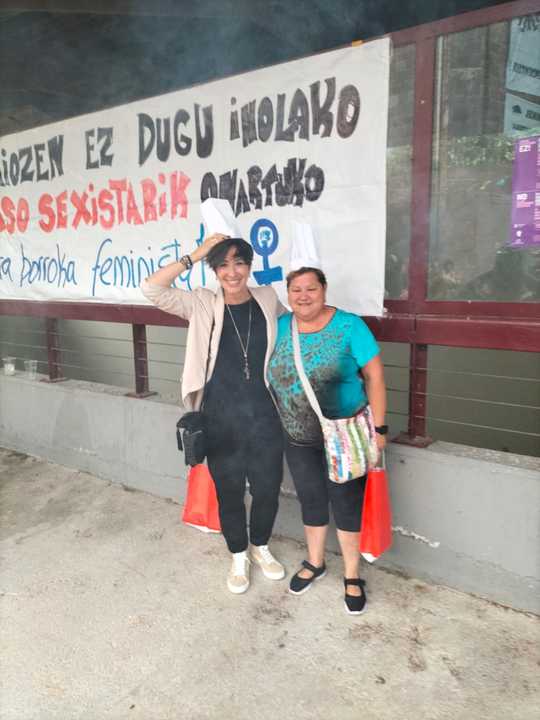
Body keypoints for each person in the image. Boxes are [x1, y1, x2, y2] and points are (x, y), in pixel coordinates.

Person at [140, 233, 286, 595]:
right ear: (215, 270)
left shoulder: (268, 298)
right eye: (223, 265)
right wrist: (197, 253)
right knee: (230, 491)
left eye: (239, 263)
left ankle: (260, 546)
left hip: (265, 414)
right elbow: (152, 288)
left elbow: (290, 334)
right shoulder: (202, 303)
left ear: (250, 266)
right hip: (220, 415)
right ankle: (238, 554)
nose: (232, 272)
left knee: (268, 489)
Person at [268, 266, 387, 615]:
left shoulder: (349, 326)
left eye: (311, 288)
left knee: (347, 502)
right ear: (288, 295)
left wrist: (380, 429)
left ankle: (352, 574)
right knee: (311, 498)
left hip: (344, 435)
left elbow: (375, 377)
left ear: (324, 290)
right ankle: (315, 561)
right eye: (296, 290)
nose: (303, 296)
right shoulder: (281, 326)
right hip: (297, 434)